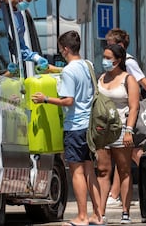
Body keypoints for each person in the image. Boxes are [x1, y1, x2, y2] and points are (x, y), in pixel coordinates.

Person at [31, 30, 105, 226]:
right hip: (89, 126)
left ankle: (81, 216)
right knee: (90, 171)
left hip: (75, 126)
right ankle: (98, 216)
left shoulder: (70, 71)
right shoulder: (87, 65)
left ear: (64, 49)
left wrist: (44, 99)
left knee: (77, 172)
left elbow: (68, 101)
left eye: (60, 49)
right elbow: (66, 72)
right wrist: (51, 69)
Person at [104, 28, 146, 207]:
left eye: (110, 45)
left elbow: (143, 81)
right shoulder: (118, 63)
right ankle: (114, 195)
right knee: (124, 154)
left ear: (120, 45)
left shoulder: (128, 62)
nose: (107, 49)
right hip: (125, 115)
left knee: (135, 153)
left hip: (132, 114)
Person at [95, 44, 140, 224]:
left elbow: (134, 106)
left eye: (108, 58)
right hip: (102, 130)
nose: (105, 61)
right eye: (104, 57)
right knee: (103, 170)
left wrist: (129, 130)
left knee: (124, 170)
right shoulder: (101, 78)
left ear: (118, 60)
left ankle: (125, 212)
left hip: (122, 129)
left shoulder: (128, 79)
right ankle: (100, 213)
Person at [0, 0, 59, 74]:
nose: (26, 5)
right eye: (27, 1)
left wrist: (36, 57)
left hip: (3, 67)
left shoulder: (19, 18)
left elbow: (19, 46)